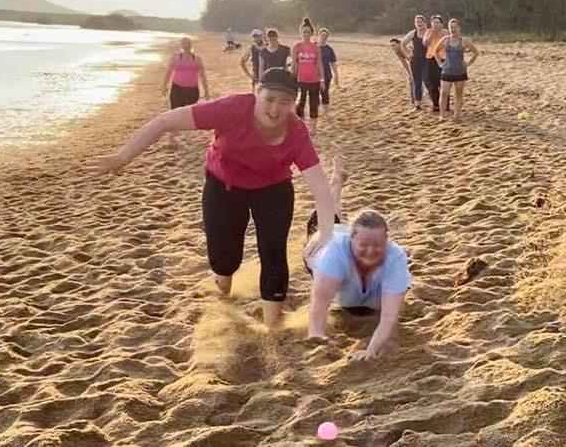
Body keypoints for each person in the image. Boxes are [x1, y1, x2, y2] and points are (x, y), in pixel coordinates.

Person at [95, 67, 337, 331]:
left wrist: (326, 236)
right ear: (256, 92)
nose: (276, 109)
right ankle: (223, 295)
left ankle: (274, 327)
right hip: (223, 186)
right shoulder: (232, 108)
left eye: (285, 103)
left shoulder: (296, 131)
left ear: (293, 104)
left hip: (273, 189)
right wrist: (123, 157)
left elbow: (320, 189)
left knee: (273, 251)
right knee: (224, 260)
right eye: (269, 99)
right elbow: (165, 122)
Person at [305, 156, 412, 361]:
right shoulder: (335, 251)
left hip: (346, 234)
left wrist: (370, 351)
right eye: (363, 246)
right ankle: (336, 183)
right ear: (351, 240)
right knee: (328, 217)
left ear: (387, 240)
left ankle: (337, 185)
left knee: (340, 222)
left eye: (377, 246)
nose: (371, 252)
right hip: (320, 243)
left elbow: (390, 317)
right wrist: (317, 338)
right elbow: (319, 306)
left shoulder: (395, 256)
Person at [434, 19, 479, 122]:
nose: (453, 29)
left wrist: (468, 63)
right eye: (451, 27)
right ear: (448, 28)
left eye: (455, 27)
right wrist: (440, 64)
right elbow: (435, 51)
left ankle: (457, 114)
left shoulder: (464, 40)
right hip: (447, 70)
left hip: (460, 71)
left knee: (458, 94)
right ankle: (441, 115)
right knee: (444, 93)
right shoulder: (445, 39)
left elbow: (476, 52)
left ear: (459, 28)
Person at [292, 18, 325, 132]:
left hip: (314, 79)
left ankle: (314, 127)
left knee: (314, 102)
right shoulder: (297, 46)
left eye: (308, 32)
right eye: (304, 31)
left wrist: (322, 80)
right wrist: (292, 79)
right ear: (301, 32)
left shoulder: (316, 47)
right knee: (301, 101)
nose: (306, 34)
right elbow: (294, 64)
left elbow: (319, 64)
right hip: (301, 79)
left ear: (312, 33)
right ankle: (301, 125)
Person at [161, 36, 209, 109]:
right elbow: (168, 72)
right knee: (175, 112)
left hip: (192, 90)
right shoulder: (175, 57)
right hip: (177, 90)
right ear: (181, 46)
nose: (186, 45)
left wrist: (206, 90)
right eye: (184, 43)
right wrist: (164, 85)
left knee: (189, 114)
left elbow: (203, 76)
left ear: (191, 45)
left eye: (188, 43)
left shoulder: (197, 59)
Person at [400, 15, 429, 110]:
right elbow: (403, 43)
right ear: (415, 24)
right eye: (417, 22)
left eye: (421, 22)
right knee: (417, 82)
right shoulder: (413, 33)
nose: (419, 24)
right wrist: (408, 54)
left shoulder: (429, 32)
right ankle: (418, 103)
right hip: (415, 60)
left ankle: (435, 102)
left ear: (425, 23)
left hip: (428, 60)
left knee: (428, 80)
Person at [422, 15, 449, 113]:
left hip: (443, 59)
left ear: (442, 24)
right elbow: (425, 43)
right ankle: (435, 105)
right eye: (434, 22)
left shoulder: (445, 32)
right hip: (431, 59)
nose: (436, 24)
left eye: (438, 22)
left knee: (443, 83)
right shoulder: (429, 32)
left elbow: (447, 44)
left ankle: (445, 105)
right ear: (431, 24)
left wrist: (440, 33)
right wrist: (432, 33)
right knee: (432, 83)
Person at [317, 28, 339, 114]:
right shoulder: (314, 46)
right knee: (314, 93)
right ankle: (316, 110)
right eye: (322, 35)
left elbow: (333, 62)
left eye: (325, 36)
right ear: (319, 35)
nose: (324, 37)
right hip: (314, 74)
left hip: (326, 74)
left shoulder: (329, 49)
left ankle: (326, 111)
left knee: (324, 93)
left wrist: (336, 75)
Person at [390, 38, 414, 103]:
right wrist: (409, 73)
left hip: (418, 62)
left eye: (394, 45)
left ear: (399, 44)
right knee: (411, 80)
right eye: (391, 46)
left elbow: (412, 59)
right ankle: (413, 99)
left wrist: (412, 72)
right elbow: (404, 63)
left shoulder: (405, 47)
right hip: (412, 63)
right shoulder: (397, 51)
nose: (393, 47)